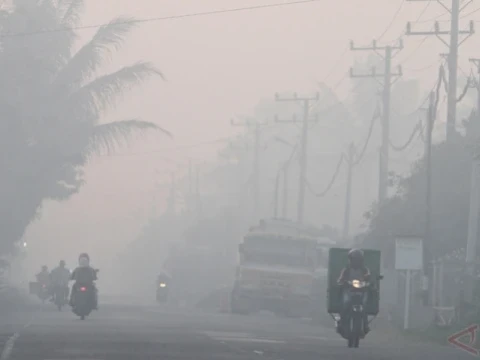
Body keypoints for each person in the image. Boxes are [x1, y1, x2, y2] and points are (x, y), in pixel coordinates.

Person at [337, 249, 371, 334]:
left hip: (361, 292)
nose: (356, 261)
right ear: (350, 260)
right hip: (349, 291)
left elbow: (368, 276)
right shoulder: (346, 270)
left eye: (358, 260)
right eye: (354, 259)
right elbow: (341, 278)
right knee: (345, 303)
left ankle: (366, 325)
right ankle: (341, 323)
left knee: (364, 306)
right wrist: (342, 281)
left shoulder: (365, 270)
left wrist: (368, 281)